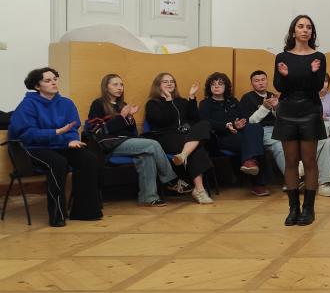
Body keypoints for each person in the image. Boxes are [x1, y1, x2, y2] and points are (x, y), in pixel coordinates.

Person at [8, 67, 102, 225]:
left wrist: (71, 140)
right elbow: (25, 134)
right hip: (34, 148)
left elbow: (72, 128)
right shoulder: (27, 105)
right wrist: (55, 132)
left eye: (55, 79)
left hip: (61, 145)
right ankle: (57, 215)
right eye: (47, 80)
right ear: (37, 86)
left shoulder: (67, 103)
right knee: (58, 163)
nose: (53, 82)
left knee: (89, 159)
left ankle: (85, 212)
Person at [86, 73, 191, 206]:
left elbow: (130, 131)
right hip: (109, 145)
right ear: (106, 88)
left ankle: (149, 197)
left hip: (126, 141)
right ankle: (171, 180)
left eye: (121, 84)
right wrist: (121, 117)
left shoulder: (123, 104)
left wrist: (130, 117)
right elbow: (97, 131)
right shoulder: (98, 104)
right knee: (153, 145)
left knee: (147, 155)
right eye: (115, 84)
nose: (119, 87)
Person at [274, 14, 326, 226]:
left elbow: (316, 87)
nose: (305, 30)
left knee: (310, 160)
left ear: (312, 32)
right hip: (287, 110)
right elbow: (279, 87)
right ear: (293, 31)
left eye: (309, 27)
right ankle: (293, 208)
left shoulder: (319, 57)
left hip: (310, 110)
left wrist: (313, 73)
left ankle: (309, 209)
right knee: (291, 161)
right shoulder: (282, 57)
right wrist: (285, 76)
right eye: (301, 26)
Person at [144, 72, 215, 204]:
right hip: (166, 137)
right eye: (165, 81)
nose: (170, 83)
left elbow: (195, 119)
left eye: (172, 81)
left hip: (186, 135)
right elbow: (162, 121)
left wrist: (192, 97)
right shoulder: (152, 104)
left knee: (205, 124)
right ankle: (200, 190)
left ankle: (183, 154)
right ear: (158, 85)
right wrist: (168, 101)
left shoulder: (181, 101)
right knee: (197, 148)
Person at [199, 72, 269, 197]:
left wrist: (240, 123)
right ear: (209, 87)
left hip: (239, 132)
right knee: (255, 145)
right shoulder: (205, 103)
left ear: (226, 86)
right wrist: (227, 125)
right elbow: (206, 122)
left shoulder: (233, 101)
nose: (216, 86)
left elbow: (244, 117)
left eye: (220, 84)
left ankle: (250, 162)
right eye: (213, 84)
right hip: (221, 136)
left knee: (256, 127)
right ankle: (257, 182)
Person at [240, 70, 285, 180]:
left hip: (279, 129)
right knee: (279, 146)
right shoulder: (247, 98)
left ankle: (300, 175)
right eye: (257, 81)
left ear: (267, 81)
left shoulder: (273, 96)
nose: (260, 83)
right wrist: (264, 108)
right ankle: (293, 178)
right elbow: (250, 122)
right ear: (251, 84)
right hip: (261, 131)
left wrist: (276, 107)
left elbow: (283, 118)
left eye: (263, 80)